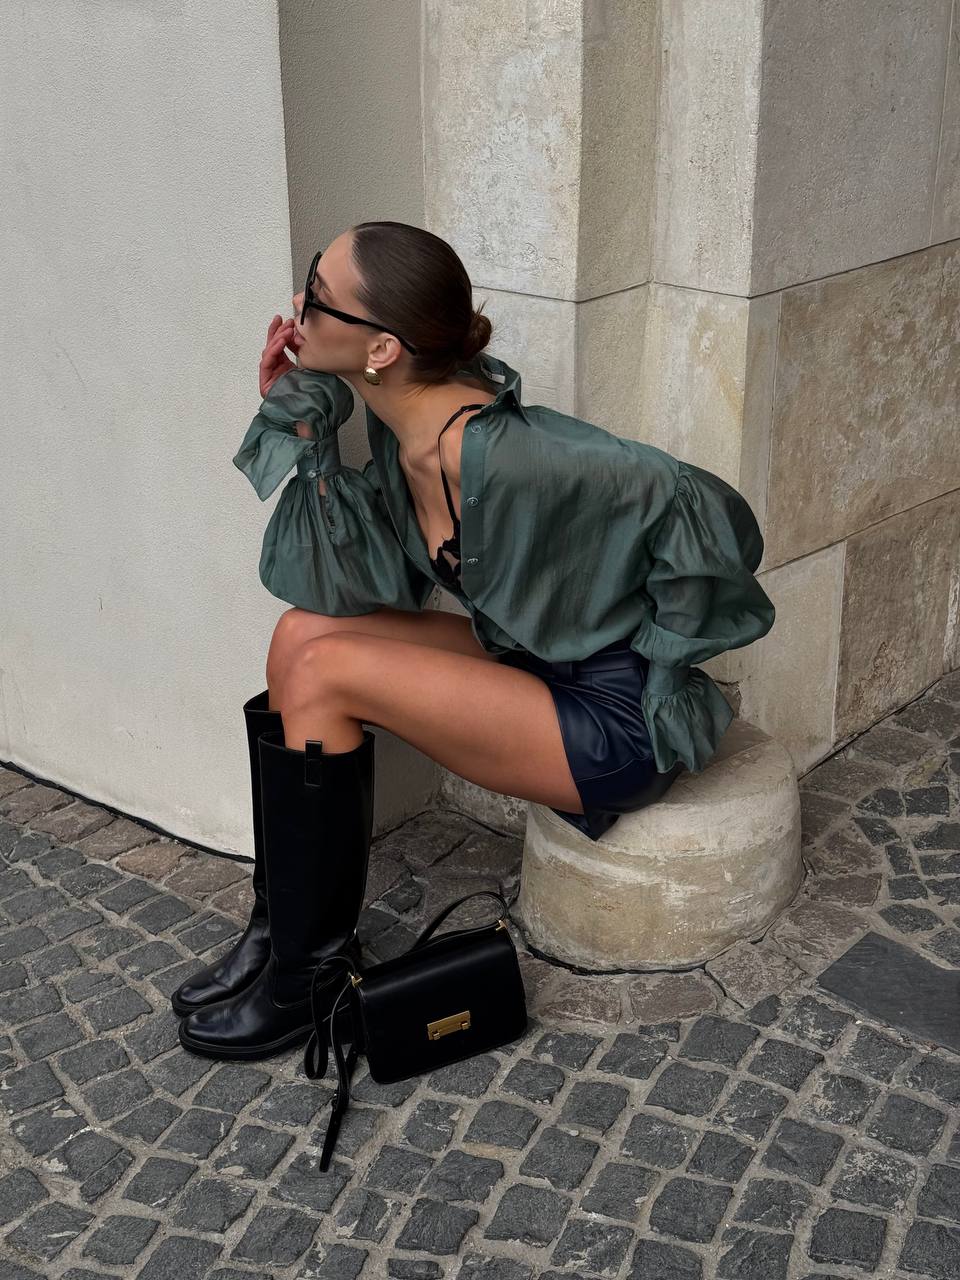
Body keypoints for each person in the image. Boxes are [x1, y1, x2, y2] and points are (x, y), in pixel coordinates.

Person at [173, 221, 776, 1061]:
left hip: (608, 724)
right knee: (303, 632)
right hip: (532, 668)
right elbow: (343, 585)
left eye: (317, 294)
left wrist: (670, 673)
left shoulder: (511, 453)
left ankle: (305, 984)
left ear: (381, 348)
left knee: (332, 670)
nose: (297, 307)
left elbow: (696, 509)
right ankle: (279, 933)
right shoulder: (401, 435)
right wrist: (304, 419)